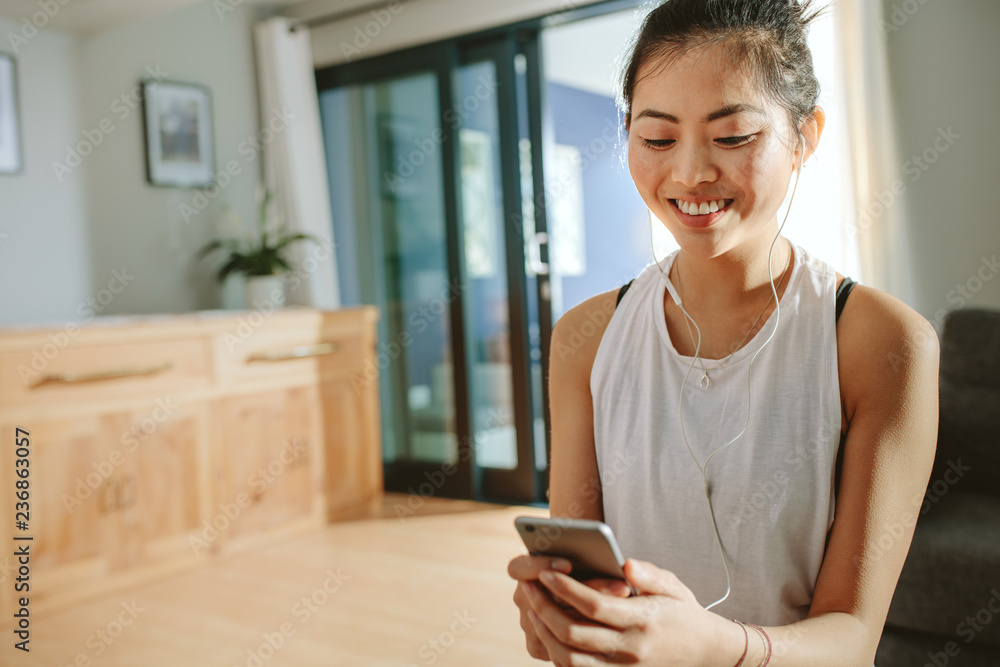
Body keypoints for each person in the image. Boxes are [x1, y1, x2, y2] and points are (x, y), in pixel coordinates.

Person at [506, 0, 940, 665]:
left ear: (805, 136)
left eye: (733, 136)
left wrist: (718, 648)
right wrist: (567, 619)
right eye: (656, 138)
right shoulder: (584, 338)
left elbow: (851, 637)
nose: (689, 173)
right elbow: (586, 575)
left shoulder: (879, 344)